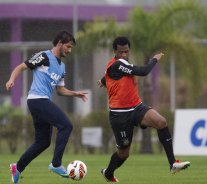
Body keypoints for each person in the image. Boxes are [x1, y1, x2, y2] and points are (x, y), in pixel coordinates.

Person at [97, 36, 190, 182]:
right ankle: (108, 173)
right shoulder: (117, 64)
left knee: (161, 122)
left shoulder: (120, 64)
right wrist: (155, 59)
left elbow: (110, 74)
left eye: (126, 51)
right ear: (114, 51)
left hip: (136, 107)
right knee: (124, 153)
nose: (123, 54)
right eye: (120, 52)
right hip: (119, 115)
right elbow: (144, 71)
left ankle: (173, 163)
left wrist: (103, 81)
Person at [6, 30, 88, 184]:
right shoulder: (44, 56)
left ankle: (18, 167)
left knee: (43, 142)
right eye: (68, 47)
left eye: (71, 48)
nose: (69, 51)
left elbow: (60, 90)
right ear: (60, 44)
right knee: (66, 125)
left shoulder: (62, 67)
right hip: (37, 100)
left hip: (41, 102)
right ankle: (56, 164)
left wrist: (74, 93)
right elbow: (21, 67)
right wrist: (11, 79)